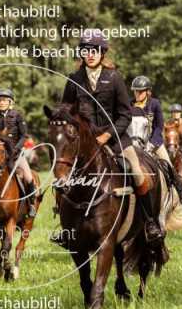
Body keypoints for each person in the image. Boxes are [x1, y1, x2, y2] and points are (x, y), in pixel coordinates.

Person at [60, 28, 163, 241]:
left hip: (115, 139)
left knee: (136, 171)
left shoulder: (114, 78)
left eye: (94, 50)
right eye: (86, 50)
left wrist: (107, 136)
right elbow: (65, 113)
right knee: (62, 175)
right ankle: (66, 227)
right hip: (83, 144)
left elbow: (125, 115)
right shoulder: (74, 80)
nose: (90, 54)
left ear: (102, 53)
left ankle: (150, 221)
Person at [127, 76, 182, 210]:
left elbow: (159, 127)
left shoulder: (155, 104)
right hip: (133, 142)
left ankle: (181, 193)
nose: (138, 94)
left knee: (168, 163)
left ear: (148, 92)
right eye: (135, 91)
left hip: (153, 142)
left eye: (141, 91)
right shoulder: (129, 105)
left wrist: (151, 144)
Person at [0, 87, 39, 218]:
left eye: (4, 100)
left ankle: (31, 204)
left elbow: (24, 135)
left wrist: (16, 149)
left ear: (10, 102)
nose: (2, 103)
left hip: (15, 155)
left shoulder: (17, 116)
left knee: (28, 177)